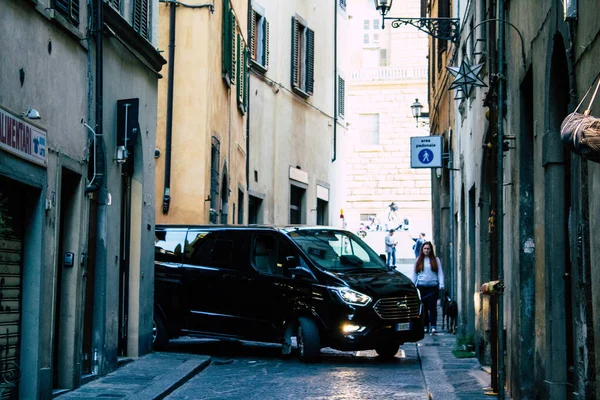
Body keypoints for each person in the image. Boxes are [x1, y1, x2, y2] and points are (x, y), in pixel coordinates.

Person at [411, 241, 444, 334]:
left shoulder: (435, 260)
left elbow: (440, 273)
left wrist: (441, 284)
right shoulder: (418, 260)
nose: (426, 250)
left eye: (428, 248)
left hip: (433, 287)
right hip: (422, 287)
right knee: (424, 307)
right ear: (422, 249)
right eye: (425, 248)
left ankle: (433, 326)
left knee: (432, 307)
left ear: (431, 250)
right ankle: (425, 325)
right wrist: (412, 285)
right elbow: (414, 274)